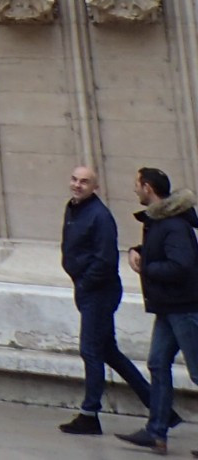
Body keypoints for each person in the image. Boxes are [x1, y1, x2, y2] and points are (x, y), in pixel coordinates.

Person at [61, 166, 155, 435]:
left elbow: (104, 260)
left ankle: (89, 414)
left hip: (99, 292)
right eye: (75, 179)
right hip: (89, 290)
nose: (78, 185)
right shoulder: (74, 209)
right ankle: (160, 407)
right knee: (108, 352)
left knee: (91, 351)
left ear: (95, 187)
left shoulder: (99, 216)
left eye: (85, 181)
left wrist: (85, 282)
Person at [120, 167, 198, 454]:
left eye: (137, 185)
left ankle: (156, 431)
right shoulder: (159, 222)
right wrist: (136, 250)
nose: (134, 190)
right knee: (157, 364)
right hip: (168, 308)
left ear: (148, 188)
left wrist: (148, 268)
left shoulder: (173, 224)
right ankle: (156, 432)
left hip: (184, 308)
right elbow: (159, 249)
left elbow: (181, 264)